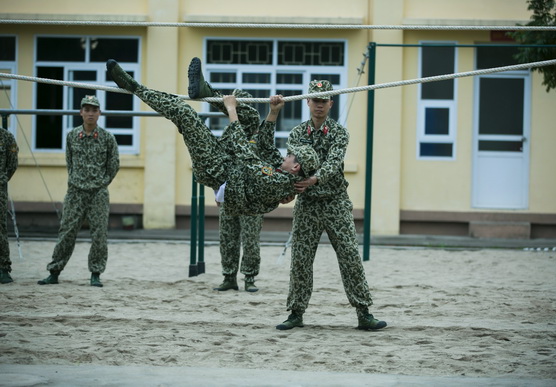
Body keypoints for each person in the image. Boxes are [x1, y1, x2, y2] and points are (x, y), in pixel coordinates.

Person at [105, 59, 318, 220]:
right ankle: (204, 90)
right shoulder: (284, 176)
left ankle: (133, 87)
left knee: (185, 114)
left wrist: (231, 109)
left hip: (215, 169)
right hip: (229, 163)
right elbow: (265, 145)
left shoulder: (278, 182)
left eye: (290, 155)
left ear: (296, 166)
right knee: (252, 117)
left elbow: (246, 154)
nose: (286, 155)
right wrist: (274, 112)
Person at [276, 80, 387, 331]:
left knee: (349, 256)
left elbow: (334, 163)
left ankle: (363, 313)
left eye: (323, 101)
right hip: (308, 204)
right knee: (301, 259)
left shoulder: (339, 133)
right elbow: (293, 165)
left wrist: (313, 178)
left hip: (335, 201)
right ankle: (296, 313)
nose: (319, 105)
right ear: (307, 102)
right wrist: (289, 188)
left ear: (331, 104)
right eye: (315, 100)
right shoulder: (296, 134)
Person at [188, 58, 264, 293]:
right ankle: (229, 276)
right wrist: (217, 192)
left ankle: (249, 278)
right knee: (227, 238)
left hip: (252, 197)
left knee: (250, 240)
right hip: (229, 195)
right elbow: (220, 167)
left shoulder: (260, 135)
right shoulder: (228, 135)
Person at [38, 95, 120, 287]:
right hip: (75, 192)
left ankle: (95, 273)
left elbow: (114, 165)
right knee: (66, 232)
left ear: (99, 113)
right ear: (81, 112)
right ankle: (54, 271)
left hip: (98, 193)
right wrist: (76, 181)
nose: (90, 113)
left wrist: (102, 183)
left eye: (94, 110)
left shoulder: (107, 138)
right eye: (87, 109)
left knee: (99, 234)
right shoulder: (72, 135)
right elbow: (70, 162)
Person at [0, 127, 19, 284]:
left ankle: (3, 268)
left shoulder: (6, 138)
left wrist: (2, 180)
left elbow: (12, 165)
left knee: (0, 228)